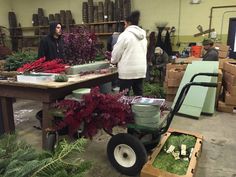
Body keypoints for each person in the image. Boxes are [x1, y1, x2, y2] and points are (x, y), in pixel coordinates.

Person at [111, 11, 147, 96]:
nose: (124, 26)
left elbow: (116, 52)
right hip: (140, 70)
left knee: (124, 96)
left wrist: (113, 61)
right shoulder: (143, 36)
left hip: (128, 71)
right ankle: (138, 109)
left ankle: (125, 110)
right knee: (138, 96)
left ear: (128, 23)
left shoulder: (125, 35)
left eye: (125, 23)